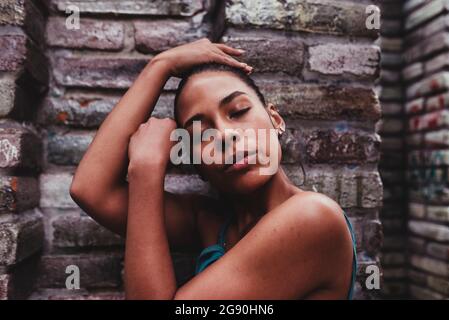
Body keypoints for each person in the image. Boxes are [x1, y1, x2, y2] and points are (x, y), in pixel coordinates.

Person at [70, 38, 357, 300]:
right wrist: (160, 66)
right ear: (197, 164)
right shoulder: (211, 222)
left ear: (276, 119)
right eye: (199, 134)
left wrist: (145, 170)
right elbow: (91, 190)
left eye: (239, 111)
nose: (224, 135)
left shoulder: (314, 217)